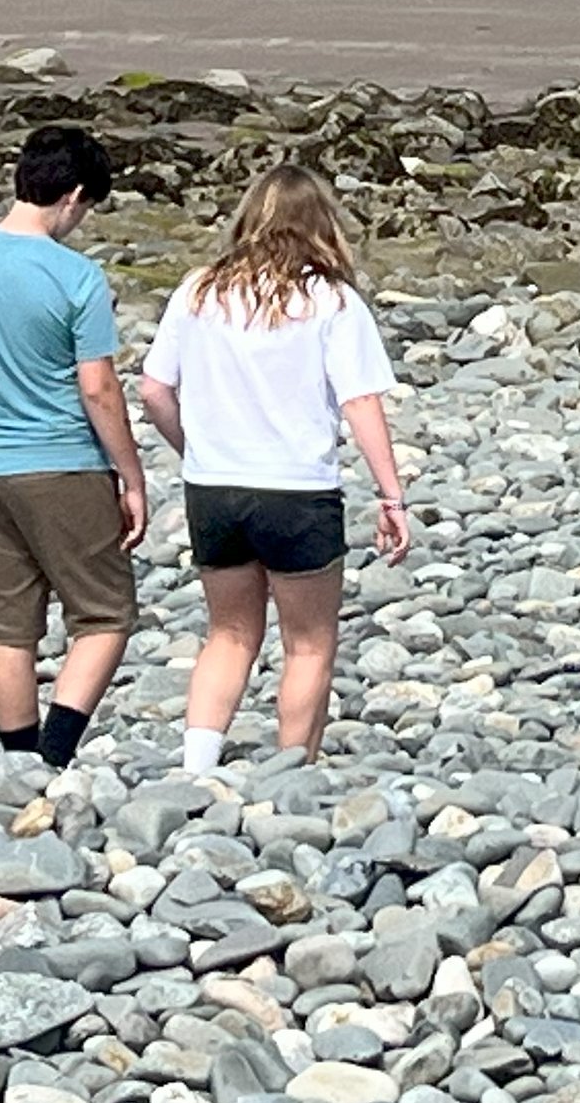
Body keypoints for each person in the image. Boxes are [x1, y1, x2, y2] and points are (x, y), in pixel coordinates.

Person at [135, 163, 410, 774]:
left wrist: (195, 449)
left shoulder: (199, 291)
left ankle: (197, 767)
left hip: (214, 486)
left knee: (229, 633)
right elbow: (360, 402)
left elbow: (154, 390)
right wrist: (391, 496)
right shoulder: (331, 300)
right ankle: (291, 771)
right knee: (308, 644)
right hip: (296, 490)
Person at [0, 124, 149, 770]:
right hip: (64, 463)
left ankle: (17, 763)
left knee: (8, 629)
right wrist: (131, 476)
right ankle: (54, 753)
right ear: (73, 196)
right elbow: (98, 387)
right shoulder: (76, 275)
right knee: (104, 616)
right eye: (87, 208)